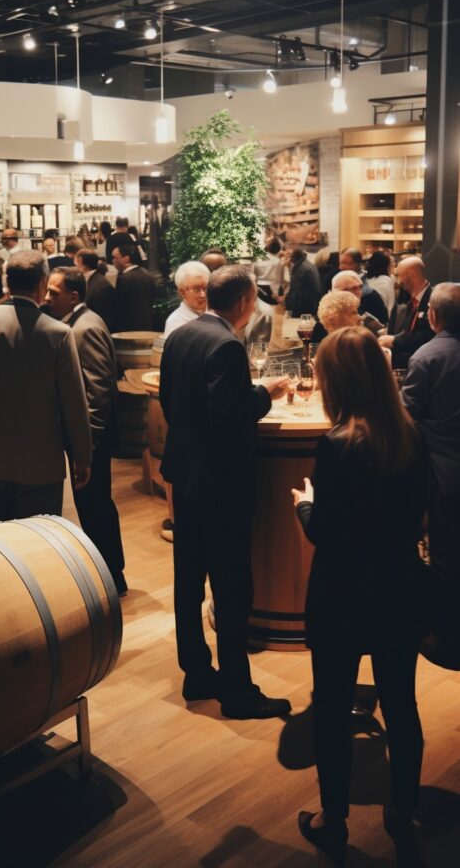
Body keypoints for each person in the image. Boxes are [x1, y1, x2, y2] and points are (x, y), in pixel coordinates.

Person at [291, 327, 427, 866]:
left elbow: (326, 533)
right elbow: (416, 516)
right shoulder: (410, 435)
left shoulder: (337, 444)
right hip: (399, 588)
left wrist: (304, 505)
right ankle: (405, 812)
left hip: (342, 594)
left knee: (331, 708)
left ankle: (334, 821)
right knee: (401, 704)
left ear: (338, 380)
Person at [160, 265, 291, 719]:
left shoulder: (181, 335)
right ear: (243, 302)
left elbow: (171, 403)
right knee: (232, 588)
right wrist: (264, 394)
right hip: (220, 485)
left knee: (188, 581)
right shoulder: (228, 346)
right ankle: (237, 692)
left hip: (185, 476)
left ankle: (197, 674)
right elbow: (230, 417)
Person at [0, 250, 92, 523]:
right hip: (42, 462)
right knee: (38, 538)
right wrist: (83, 457)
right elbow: (74, 403)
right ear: (42, 283)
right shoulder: (58, 333)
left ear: (7, 281)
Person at [45, 267, 127, 596]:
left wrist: (87, 445)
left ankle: (112, 577)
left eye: (54, 293)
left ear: (74, 296)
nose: (47, 298)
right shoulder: (77, 323)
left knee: (96, 507)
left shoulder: (85, 327)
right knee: (92, 506)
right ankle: (108, 575)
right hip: (87, 437)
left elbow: (98, 390)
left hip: (93, 438)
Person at [402, 282, 460, 579]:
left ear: (434, 316)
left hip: (442, 466)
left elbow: (408, 414)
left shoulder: (427, 356)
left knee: (445, 554)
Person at [378, 256, 434, 369]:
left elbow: (429, 334)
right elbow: (406, 330)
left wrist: (395, 340)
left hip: (424, 364)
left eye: (399, 275)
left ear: (412, 275)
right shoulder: (408, 299)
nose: (398, 281)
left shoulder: (434, 299)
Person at [112, 243, 155, 331]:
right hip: (147, 325)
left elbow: (118, 307)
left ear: (126, 259)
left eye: (115, 258)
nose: (113, 261)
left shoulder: (123, 279)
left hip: (128, 328)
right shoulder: (147, 274)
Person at [75, 248, 117, 332]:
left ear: (83, 266)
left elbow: (104, 318)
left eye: (76, 264)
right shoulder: (91, 280)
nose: (75, 267)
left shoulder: (101, 286)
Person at [164, 261, 210, 337]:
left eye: (205, 288)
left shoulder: (217, 312)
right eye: (196, 290)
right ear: (182, 292)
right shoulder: (176, 322)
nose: (203, 295)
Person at [283, 248, 321, 317]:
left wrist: (288, 303)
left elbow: (295, 289)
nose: (286, 255)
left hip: (302, 308)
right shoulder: (303, 265)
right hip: (307, 306)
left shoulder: (302, 268)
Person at [366, 250, 396, 317]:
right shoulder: (385, 280)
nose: (393, 265)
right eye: (391, 263)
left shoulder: (366, 278)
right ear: (386, 266)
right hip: (380, 318)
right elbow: (389, 307)